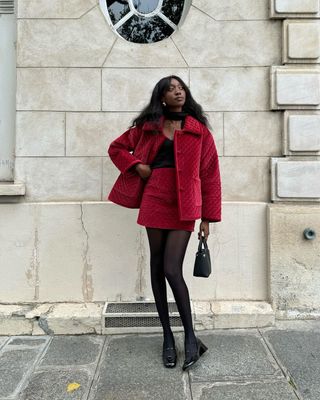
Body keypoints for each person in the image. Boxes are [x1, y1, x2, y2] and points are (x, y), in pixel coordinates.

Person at [107, 75, 221, 371]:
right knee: (157, 267)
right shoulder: (147, 128)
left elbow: (210, 174)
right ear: (161, 97)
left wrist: (208, 217)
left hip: (185, 205)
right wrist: (137, 166)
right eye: (171, 89)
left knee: (172, 268)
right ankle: (168, 338)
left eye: (181, 88)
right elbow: (116, 149)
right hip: (155, 198)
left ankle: (192, 338)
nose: (177, 92)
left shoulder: (199, 131)